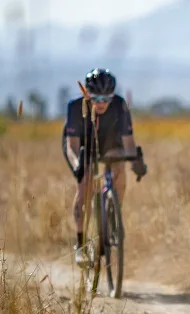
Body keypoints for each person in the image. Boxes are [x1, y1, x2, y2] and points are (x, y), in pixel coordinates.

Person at [62, 68, 147, 267]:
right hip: (82, 146)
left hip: (109, 143)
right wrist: (78, 167)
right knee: (87, 183)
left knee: (119, 170)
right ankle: (81, 244)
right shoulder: (75, 107)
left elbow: (128, 143)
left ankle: (113, 214)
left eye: (106, 98)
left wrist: (136, 163)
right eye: (96, 98)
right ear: (87, 95)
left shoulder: (119, 105)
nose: (101, 103)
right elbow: (71, 146)